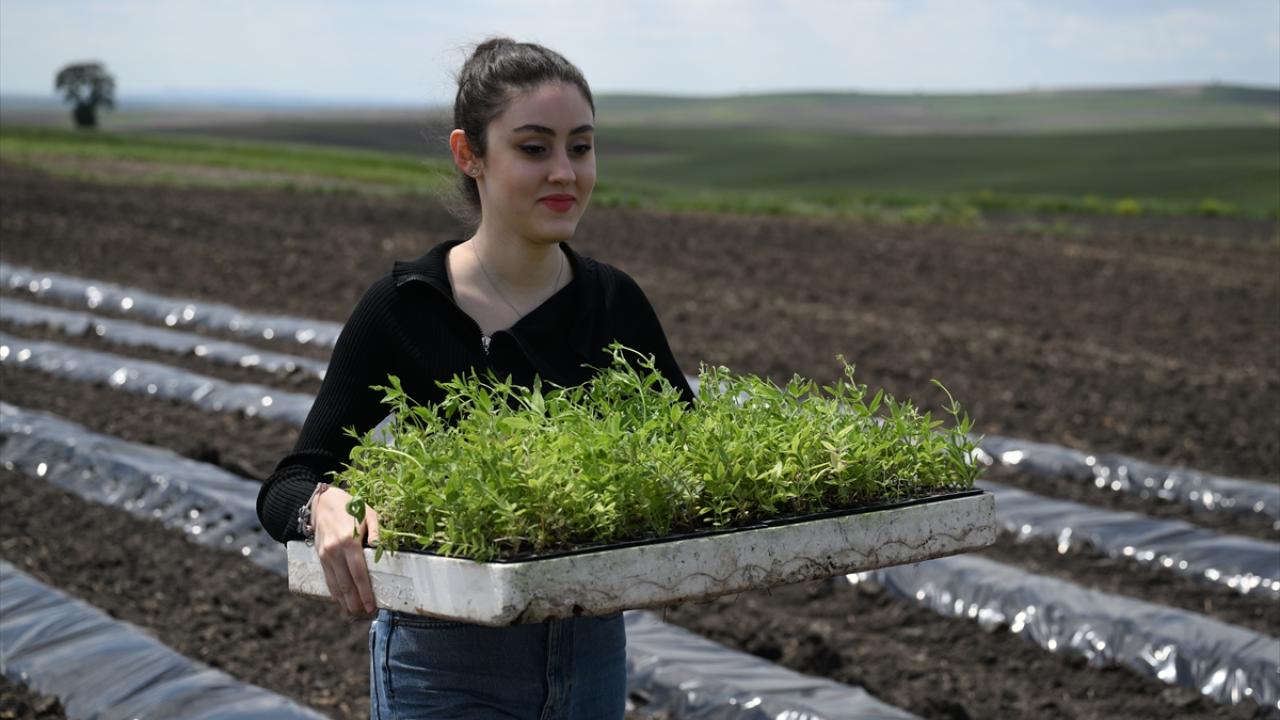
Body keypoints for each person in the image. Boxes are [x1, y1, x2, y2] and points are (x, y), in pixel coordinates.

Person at [255, 38, 694, 719]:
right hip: (443, 667)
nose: (565, 172)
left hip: (591, 655)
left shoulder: (614, 305)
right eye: (533, 147)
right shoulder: (406, 307)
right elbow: (286, 485)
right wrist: (325, 507)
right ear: (470, 156)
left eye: (580, 147)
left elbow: (696, 461)